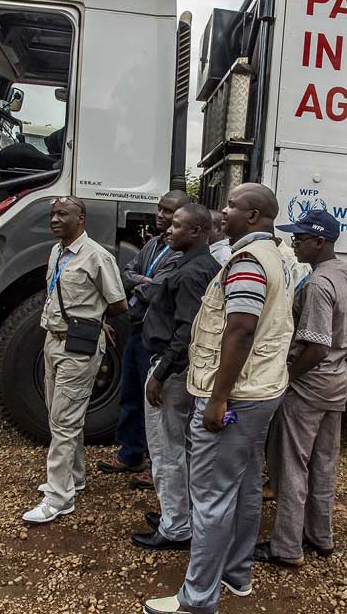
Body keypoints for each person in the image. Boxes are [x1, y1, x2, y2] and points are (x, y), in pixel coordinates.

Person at [144, 183, 294, 614]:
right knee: (245, 485)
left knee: (210, 496)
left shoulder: (246, 261)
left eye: (231, 205)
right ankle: (235, 574)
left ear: (253, 216)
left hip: (235, 397)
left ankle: (198, 597)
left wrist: (217, 398)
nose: (221, 212)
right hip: (261, 390)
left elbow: (241, 329)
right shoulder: (279, 255)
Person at [254, 210, 347, 567]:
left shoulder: (319, 283)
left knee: (290, 465)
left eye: (300, 239)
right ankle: (321, 536)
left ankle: (286, 546)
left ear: (320, 242)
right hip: (336, 382)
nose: (294, 244)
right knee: (323, 463)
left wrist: (288, 377)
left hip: (309, 385)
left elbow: (316, 346)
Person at [23, 196, 129, 523]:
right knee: (62, 416)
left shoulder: (97, 256)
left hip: (78, 348)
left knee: (64, 422)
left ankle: (58, 498)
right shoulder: (56, 252)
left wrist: (94, 323)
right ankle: (75, 477)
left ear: (80, 218)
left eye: (62, 214)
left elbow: (118, 304)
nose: (54, 219)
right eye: (52, 214)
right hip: (53, 343)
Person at [133, 204, 222, 551]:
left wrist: (159, 373)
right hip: (183, 371)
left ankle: (175, 528)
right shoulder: (197, 264)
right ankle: (179, 513)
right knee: (182, 446)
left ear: (198, 232)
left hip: (172, 372)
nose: (169, 230)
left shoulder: (191, 273)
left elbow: (186, 331)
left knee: (166, 450)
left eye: (177, 226)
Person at [98, 190, 191, 477]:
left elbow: (160, 289)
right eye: (160, 209)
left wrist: (142, 283)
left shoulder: (181, 251)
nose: (161, 215)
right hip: (138, 327)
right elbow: (126, 272)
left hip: (157, 334)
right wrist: (143, 281)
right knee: (130, 392)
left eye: (169, 212)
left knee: (154, 398)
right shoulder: (152, 243)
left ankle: (155, 465)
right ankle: (130, 453)